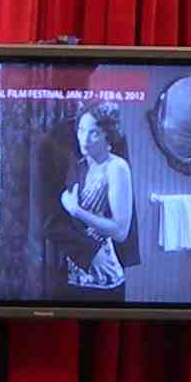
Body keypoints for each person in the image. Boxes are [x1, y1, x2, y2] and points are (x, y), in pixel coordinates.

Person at [56, 107, 135, 292]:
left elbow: (120, 231)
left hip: (103, 278)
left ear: (108, 136)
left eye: (94, 133)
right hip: (73, 272)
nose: (84, 139)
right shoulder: (79, 165)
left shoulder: (116, 168)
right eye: (81, 130)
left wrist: (76, 211)